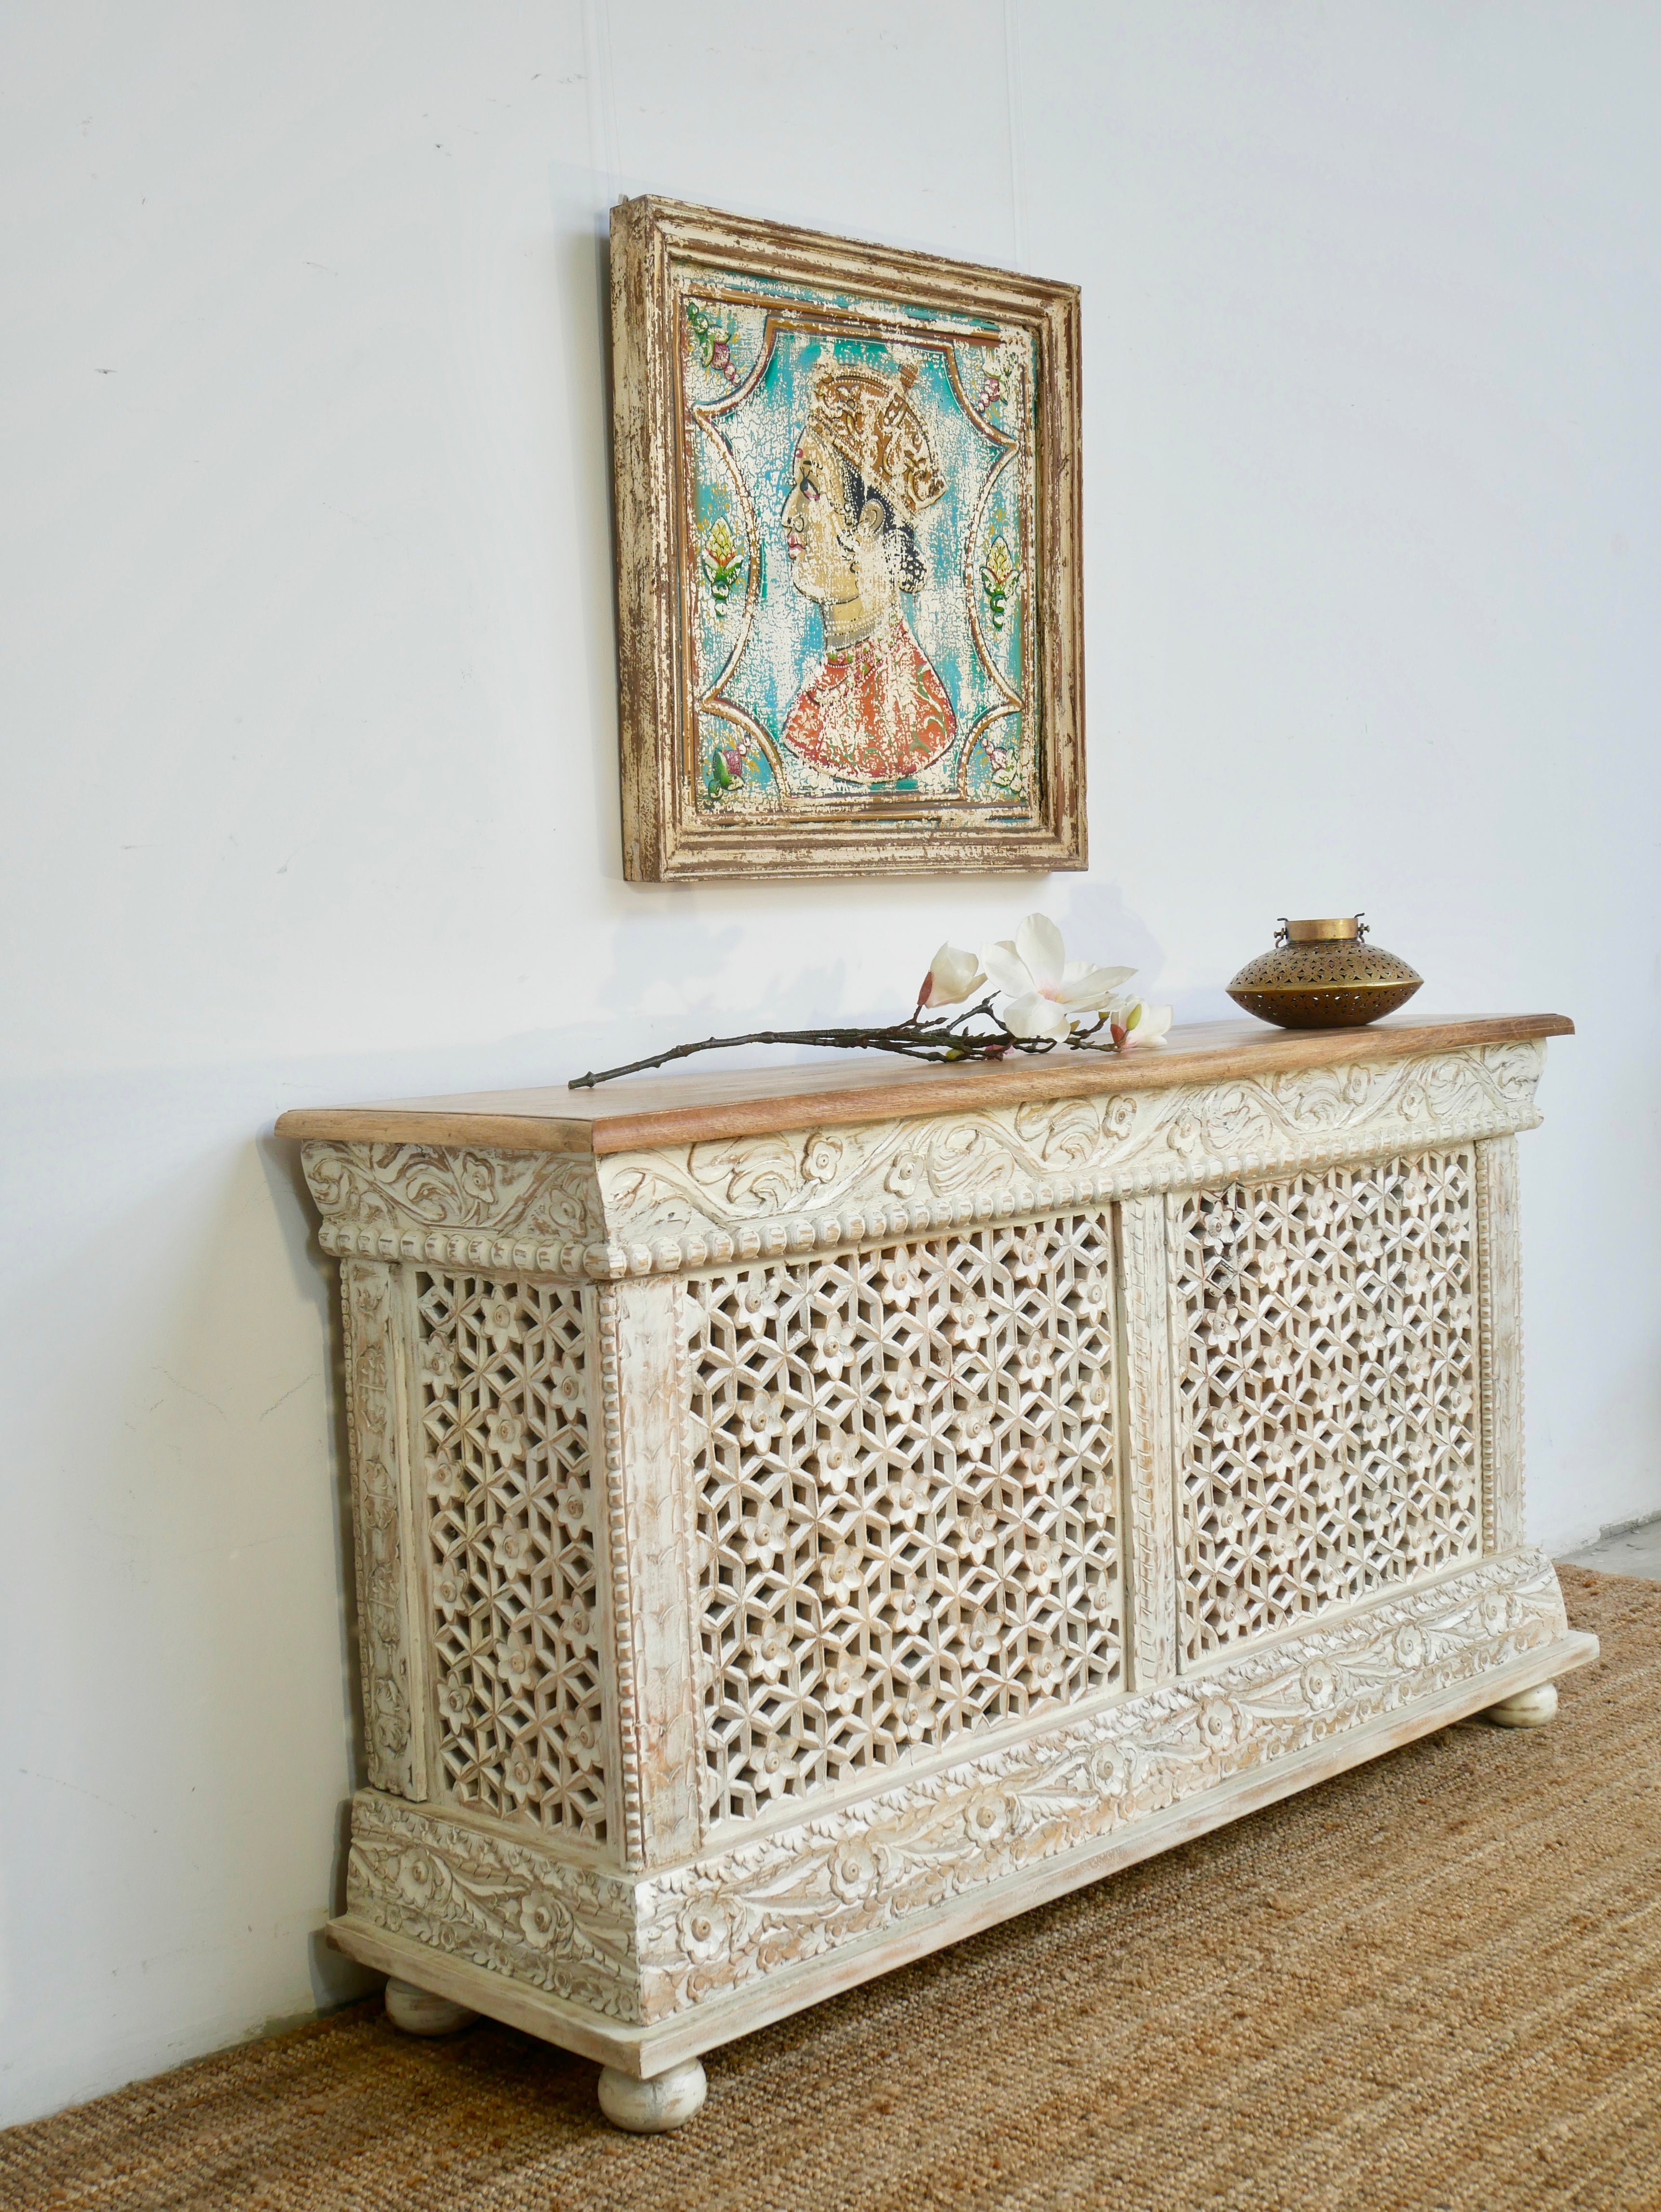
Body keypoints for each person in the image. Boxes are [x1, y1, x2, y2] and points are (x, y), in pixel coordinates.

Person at [778, 361, 957, 782]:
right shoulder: (820, 690)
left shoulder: (910, 716)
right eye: (794, 487)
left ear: (868, 522)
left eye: (809, 489)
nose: (790, 515)